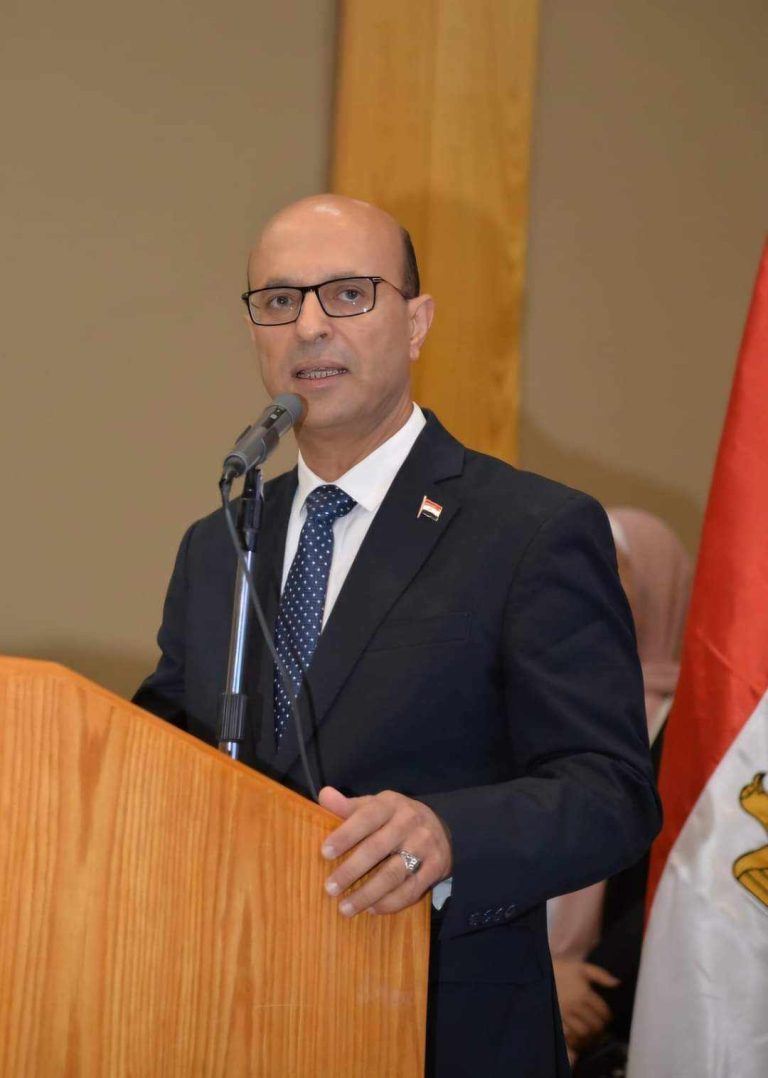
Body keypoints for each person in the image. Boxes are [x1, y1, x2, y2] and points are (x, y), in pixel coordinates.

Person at [134, 194, 661, 1076]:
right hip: (230, 1018)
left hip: (441, 1025)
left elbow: (612, 793)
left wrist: (451, 834)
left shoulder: (529, 530)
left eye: (348, 294)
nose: (309, 326)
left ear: (416, 324)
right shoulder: (220, 544)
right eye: (279, 300)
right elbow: (154, 758)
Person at [547, 509, 691, 1074]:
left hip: (624, 1019)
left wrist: (588, 990)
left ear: (659, 585)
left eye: (614, 568)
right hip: (513, 987)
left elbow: (689, 876)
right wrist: (537, 977)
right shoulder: (541, 701)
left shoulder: (699, 729)